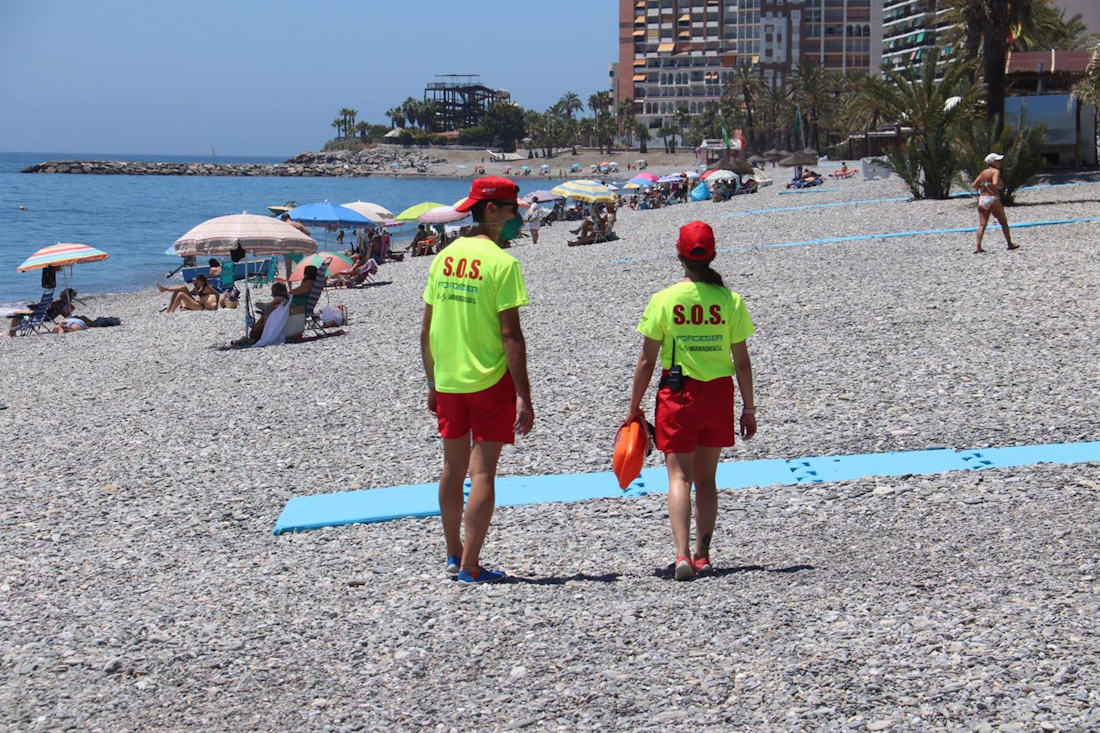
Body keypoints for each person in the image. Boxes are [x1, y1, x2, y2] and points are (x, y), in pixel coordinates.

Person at [625, 221, 756, 581]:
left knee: (678, 478)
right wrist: (749, 407)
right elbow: (742, 360)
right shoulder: (730, 300)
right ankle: (704, 554)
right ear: (712, 254)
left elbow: (647, 360)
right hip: (717, 394)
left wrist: (633, 406)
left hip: (677, 393)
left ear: (679, 254)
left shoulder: (664, 300)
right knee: (707, 480)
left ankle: (682, 555)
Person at [420, 176, 535, 585]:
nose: (516, 217)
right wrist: (524, 394)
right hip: (489, 379)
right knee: (482, 472)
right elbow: (511, 335)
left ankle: (453, 554)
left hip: (449, 378)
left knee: (452, 469)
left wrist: (433, 381)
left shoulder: (444, 257)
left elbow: (426, 330)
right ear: (490, 211)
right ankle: (470, 565)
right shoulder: (503, 264)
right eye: (511, 210)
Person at [972, 153, 1020, 254]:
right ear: (993, 162)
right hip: (993, 198)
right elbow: (995, 183)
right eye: (997, 160)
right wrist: (999, 186)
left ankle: (978, 247)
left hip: (983, 198)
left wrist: (983, 186)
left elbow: (975, 185)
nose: (1000, 162)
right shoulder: (995, 171)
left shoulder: (983, 172)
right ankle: (1009, 243)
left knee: (982, 224)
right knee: (1003, 222)